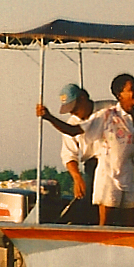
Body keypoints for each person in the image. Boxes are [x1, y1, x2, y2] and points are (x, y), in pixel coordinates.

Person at [37, 73, 134, 227]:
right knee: (101, 217)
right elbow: (71, 136)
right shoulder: (105, 115)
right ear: (119, 95)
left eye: (74, 108)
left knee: (130, 220)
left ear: (82, 99)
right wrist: (49, 117)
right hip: (102, 169)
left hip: (127, 173)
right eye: (132, 89)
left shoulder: (132, 115)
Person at [56, 83, 113, 224]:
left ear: (83, 98)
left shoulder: (110, 108)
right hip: (92, 163)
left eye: (74, 109)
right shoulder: (71, 123)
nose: (73, 113)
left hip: (115, 161)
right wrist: (76, 177)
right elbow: (69, 154)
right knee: (87, 200)